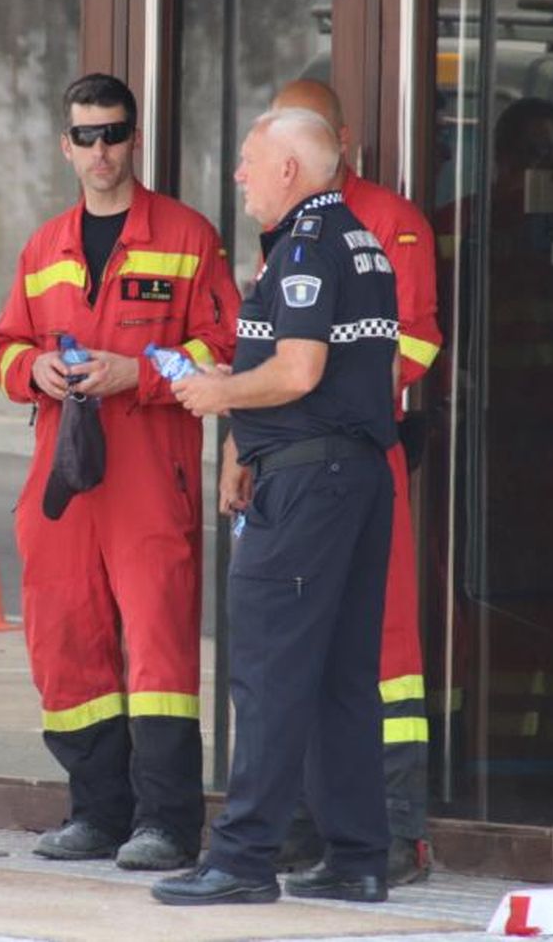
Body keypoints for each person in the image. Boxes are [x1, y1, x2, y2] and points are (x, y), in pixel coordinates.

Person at [0, 73, 240, 871]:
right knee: (66, 637)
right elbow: (6, 346)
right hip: (64, 473)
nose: (101, 150)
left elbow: (222, 347)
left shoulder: (188, 236)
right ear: (66, 146)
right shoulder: (44, 247)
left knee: (159, 646)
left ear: (135, 139)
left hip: (148, 468)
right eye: (87, 136)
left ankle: (166, 822)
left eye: (114, 133)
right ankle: (97, 812)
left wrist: (140, 372)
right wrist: (35, 370)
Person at [153, 107, 397, 905]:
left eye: (250, 160)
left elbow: (297, 371)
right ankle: (357, 856)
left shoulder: (305, 246)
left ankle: (242, 858)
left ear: (289, 169)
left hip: (308, 489)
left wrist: (220, 395)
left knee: (267, 671)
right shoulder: (359, 240)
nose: (240, 175)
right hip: (351, 477)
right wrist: (242, 438)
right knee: (340, 676)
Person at [270, 78, 441, 883]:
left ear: (338, 141)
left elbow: (416, 342)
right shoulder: (285, 226)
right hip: (293, 461)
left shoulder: (390, 222)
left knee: (386, 646)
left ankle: (398, 830)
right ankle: (307, 822)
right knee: (302, 637)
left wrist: (330, 394)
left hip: (362, 451)